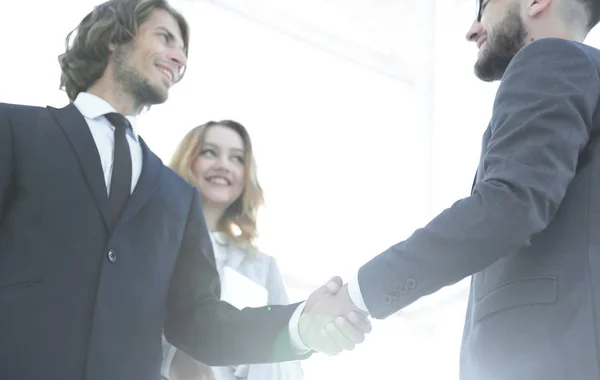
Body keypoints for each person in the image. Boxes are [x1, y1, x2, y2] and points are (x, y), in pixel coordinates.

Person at [0, 1, 371, 379]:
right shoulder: (14, 130)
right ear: (115, 38)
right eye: (165, 38)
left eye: (184, 52)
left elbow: (198, 321)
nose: (178, 58)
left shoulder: (176, 196)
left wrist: (298, 323)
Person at [307, 0, 600, 379]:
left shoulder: (551, 58)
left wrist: (359, 294)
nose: (472, 29)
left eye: (484, 6)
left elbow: (507, 207)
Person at [162, 120, 304, 380]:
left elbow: (285, 358)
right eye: (209, 152)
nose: (223, 165)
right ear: (187, 159)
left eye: (237, 158)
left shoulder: (263, 267)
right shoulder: (156, 242)